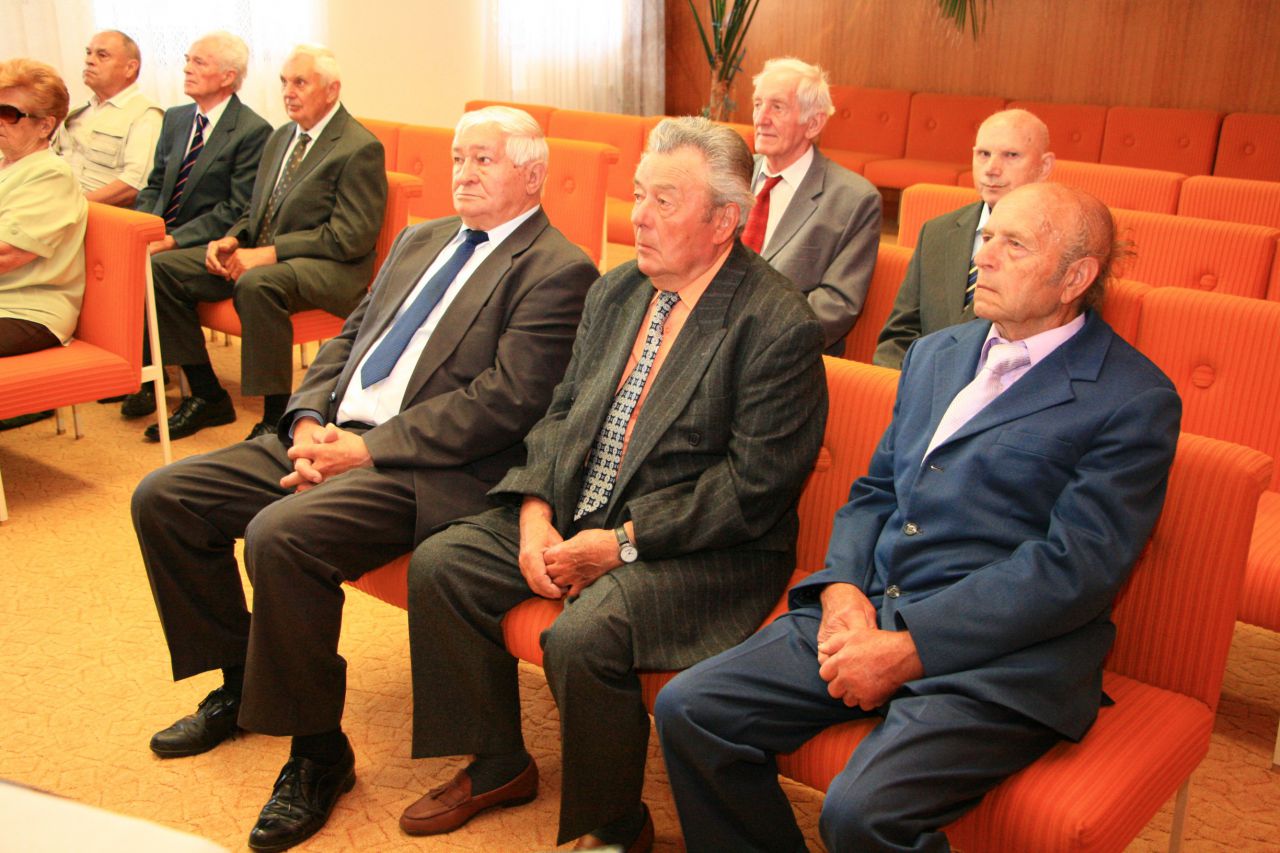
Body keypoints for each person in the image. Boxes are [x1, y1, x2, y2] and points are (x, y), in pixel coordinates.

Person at [654, 182, 1183, 853]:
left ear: (1075, 277)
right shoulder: (938, 353)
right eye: (986, 236)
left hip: (998, 655)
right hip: (873, 606)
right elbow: (878, 489)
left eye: (1014, 245)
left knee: (860, 814)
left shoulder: (1132, 398)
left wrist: (910, 649)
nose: (982, 256)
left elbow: (1073, 570)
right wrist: (843, 588)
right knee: (691, 709)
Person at [131, 105, 597, 852]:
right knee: (165, 497)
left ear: (534, 174)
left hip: (426, 466)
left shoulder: (557, 268)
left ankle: (319, 755)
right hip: (334, 434)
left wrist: (367, 451)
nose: (464, 173)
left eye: (485, 160)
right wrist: (305, 421)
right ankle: (239, 683)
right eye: (458, 157)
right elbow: (349, 338)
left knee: (281, 536)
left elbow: (506, 402)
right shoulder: (421, 238)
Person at [401, 117, 827, 853]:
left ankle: (616, 825)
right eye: (637, 195)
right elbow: (561, 410)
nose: (639, 218)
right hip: (582, 506)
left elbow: (751, 489)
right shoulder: (619, 290)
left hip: (699, 546)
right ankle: (499, 762)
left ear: (724, 220)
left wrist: (621, 544)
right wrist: (535, 511)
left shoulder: (775, 323)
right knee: (442, 564)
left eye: (665, 201)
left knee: (582, 637)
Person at [145, 44, 387, 443]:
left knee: (258, 283)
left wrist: (269, 253)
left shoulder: (359, 146)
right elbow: (256, 208)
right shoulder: (281, 137)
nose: (288, 92)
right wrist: (232, 238)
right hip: (267, 256)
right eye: (284, 82)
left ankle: (277, 417)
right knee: (162, 269)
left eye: (300, 83)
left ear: (331, 90)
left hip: (331, 270)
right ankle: (207, 394)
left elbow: (350, 237)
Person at [116, 31, 271, 419]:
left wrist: (173, 240)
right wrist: (146, 228)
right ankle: (146, 375)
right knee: (121, 254)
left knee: (156, 268)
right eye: (187, 59)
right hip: (166, 234)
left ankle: (204, 392)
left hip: (213, 244)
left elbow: (236, 210)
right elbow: (155, 184)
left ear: (228, 76)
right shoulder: (176, 118)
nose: (186, 68)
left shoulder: (252, 131)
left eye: (199, 62)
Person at [874, 108, 1054, 368]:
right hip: (921, 383)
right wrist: (899, 385)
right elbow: (899, 336)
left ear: (1044, 166)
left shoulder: (1059, 243)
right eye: (983, 154)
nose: (992, 169)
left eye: (1011, 155)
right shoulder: (937, 231)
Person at [746, 57, 881, 356]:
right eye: (757, 104)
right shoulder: (732, 174)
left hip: (783, 354)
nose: (761, 119)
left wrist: (752, 340)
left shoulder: (853, 200)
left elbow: (836, 304)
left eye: (777, 107)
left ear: (814, 123)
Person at [0, 59, 88, 431]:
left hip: (28, 309)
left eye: (9, 113)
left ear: (45, 125)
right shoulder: (7, 164)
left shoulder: (50, 174)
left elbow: (7, 254)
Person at [53, 30, 162, 208]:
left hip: (96, 213)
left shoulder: (145, 115)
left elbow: (134, 185)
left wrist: (73, 206)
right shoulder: (78, 112)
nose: (89, 60)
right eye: (88, 53)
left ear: (130, 68)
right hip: (56, 203)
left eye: (102, 55)